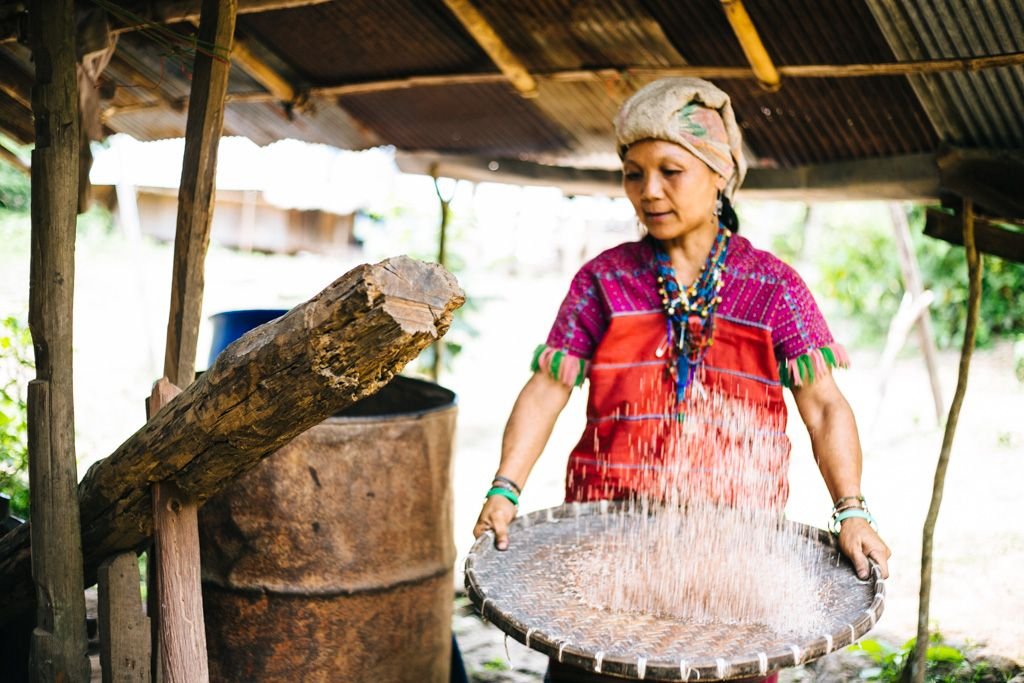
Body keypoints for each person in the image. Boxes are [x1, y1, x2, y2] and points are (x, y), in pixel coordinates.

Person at [472, 78, 891, 683]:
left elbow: (825, 406)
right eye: (633, 174)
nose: (649, 191)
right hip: (604, 545)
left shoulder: (774, 286)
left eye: (671, 170)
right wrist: (505, 488)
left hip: (733, 557)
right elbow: (547, 387)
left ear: (718, 175)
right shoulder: (604, 280)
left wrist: (851, 510)